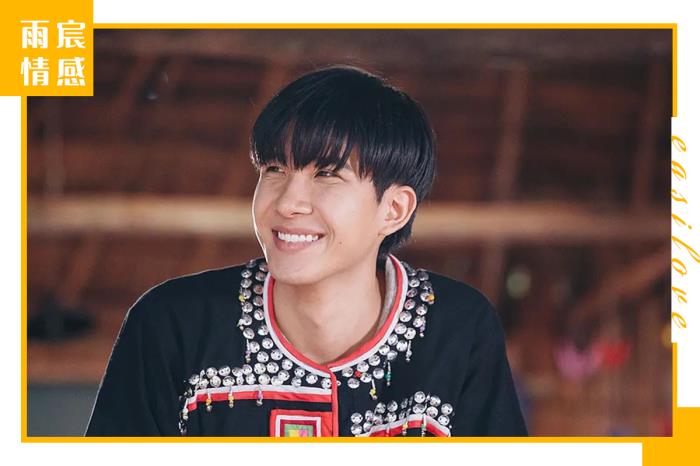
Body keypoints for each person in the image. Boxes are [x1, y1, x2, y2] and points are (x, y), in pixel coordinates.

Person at [85, 65, 528, 437]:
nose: (287, 202)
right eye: (274, 169)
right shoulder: (171, 325)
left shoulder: (459, 328)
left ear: (393, 210)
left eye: (327, 175)